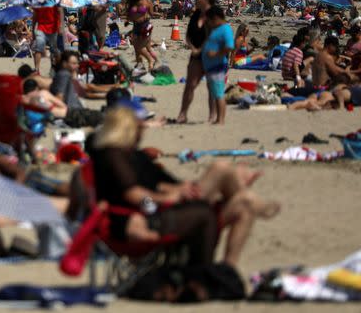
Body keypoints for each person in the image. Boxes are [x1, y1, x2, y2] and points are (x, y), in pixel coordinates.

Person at [88, 107, 279, 267]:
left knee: (240, 196)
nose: (142, 133)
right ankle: (251, 205)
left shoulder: (134, 156)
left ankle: (227, 272)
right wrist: (164, 199)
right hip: (149, 215)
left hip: (163, 207)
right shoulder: (114, 156)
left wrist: (176, 190)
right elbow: (135, 195)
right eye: (139, 129)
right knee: (228, 180)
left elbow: (156, 184)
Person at [175, 0, 216, 123]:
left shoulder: (214, 14)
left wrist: (200, 49)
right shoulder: (196, 14)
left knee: (212, 87)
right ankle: (183, 114)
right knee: (190, 85)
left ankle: (212, 116)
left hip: (212, 55)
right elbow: (188, 34)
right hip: (196, 55)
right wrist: (192, 47)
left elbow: (214, 36)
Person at [50, 51, 103, 128]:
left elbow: (82, 93)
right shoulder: (64, 75)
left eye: (77, 63)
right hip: (72, 113)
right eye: (74, 63)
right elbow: (59, 98)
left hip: (76, 112)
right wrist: (66, 113)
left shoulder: (68, 75)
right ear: (65, 64)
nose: (77, 66)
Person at [202, 6, 233, 125]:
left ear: (215, 18)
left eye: (210, 20)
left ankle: (220, 120)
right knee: (212, 92)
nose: (209, 22)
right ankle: (214, 117)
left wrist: (216, 54)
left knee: (219, 93)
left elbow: (229, 46)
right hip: (211, 66)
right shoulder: (217, 28)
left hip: (218, 65)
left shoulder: (225, 29)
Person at [125, 0, 158, 70]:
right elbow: (129, 15)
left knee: (139, 47)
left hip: (145, 25)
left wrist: (157, 13)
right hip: (136, 26)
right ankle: (141, 64)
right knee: (141, 48)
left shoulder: (147, 0)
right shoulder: (131, 1)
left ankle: (150, 60)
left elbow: (151, 13)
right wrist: (128, 20)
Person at [32, 5, 64, 74]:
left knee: (55, 50)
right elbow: (34, 17)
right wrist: (32, 31)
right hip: (41, 28)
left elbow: (60, 11)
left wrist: (61, 26)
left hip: (53, 28)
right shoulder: (38, 2)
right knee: (38, 48)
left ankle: (59, 67)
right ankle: (36, 70)